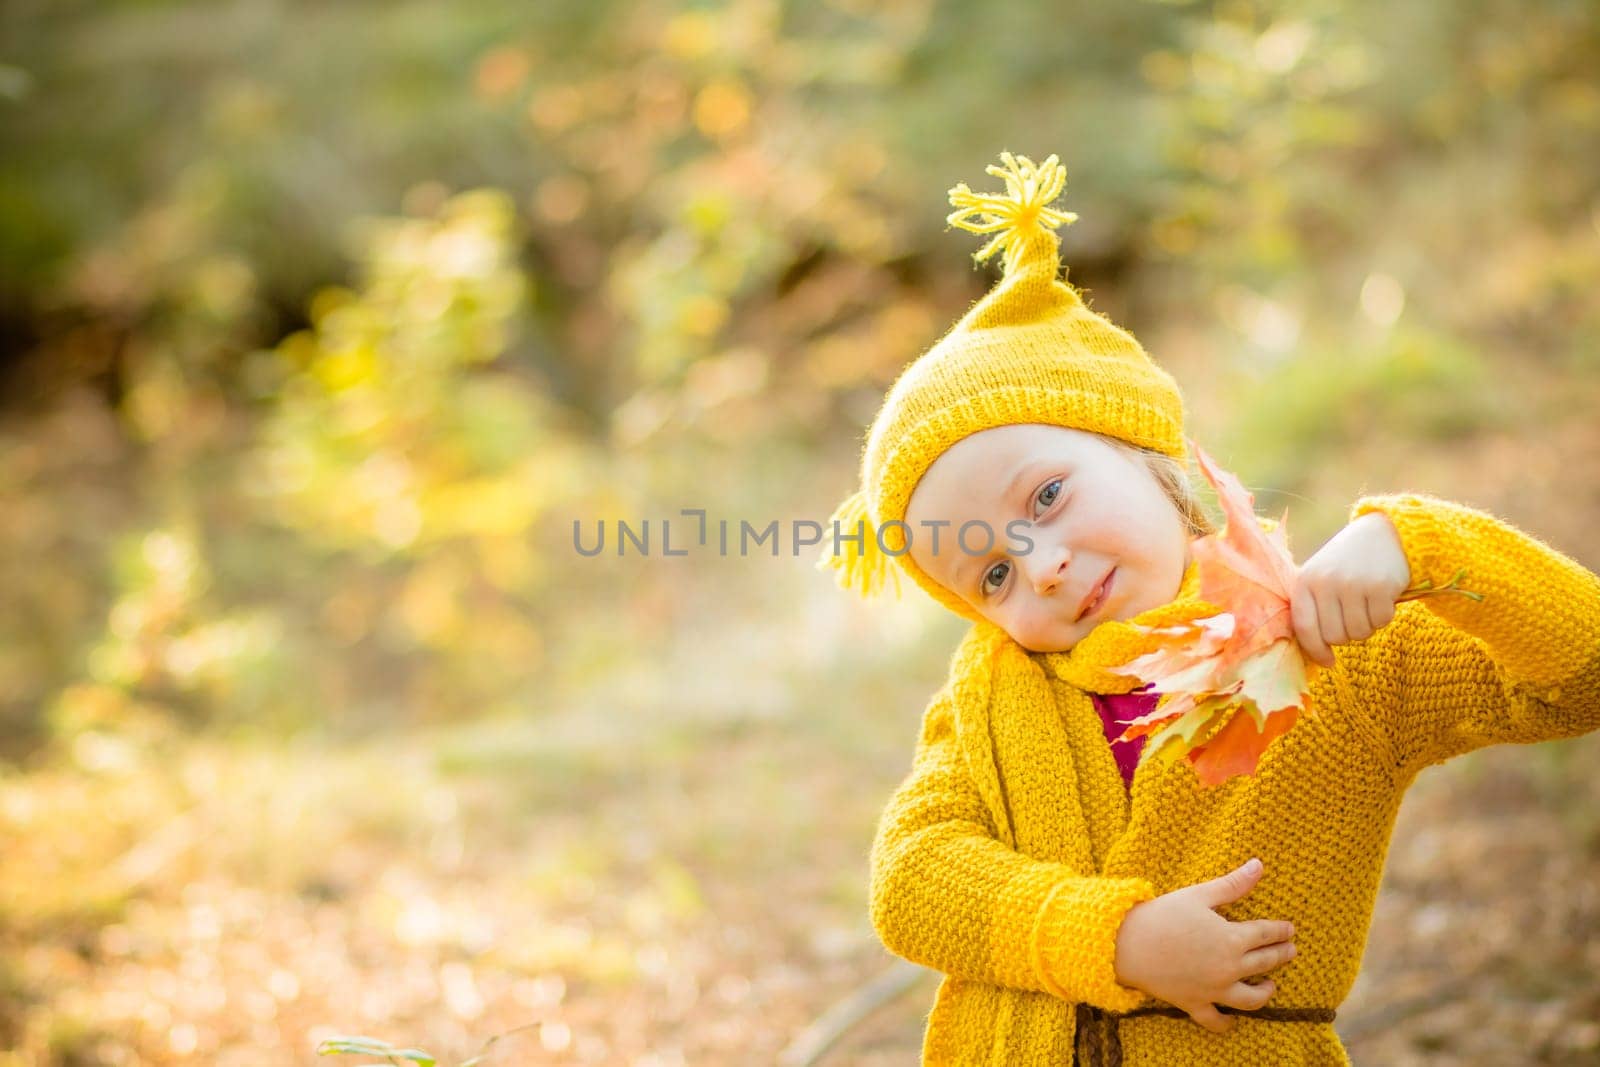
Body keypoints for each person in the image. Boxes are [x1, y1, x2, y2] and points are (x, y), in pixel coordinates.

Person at [816, 151, 1600, 1065]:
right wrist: (1114, 939)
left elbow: (1580, 674)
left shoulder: (1323, 645)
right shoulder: (992, 700)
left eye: (1045, 498)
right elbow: (910, 877)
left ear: (1149, 449)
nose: (1044, 567)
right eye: (991, 577)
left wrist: (1422, 546)